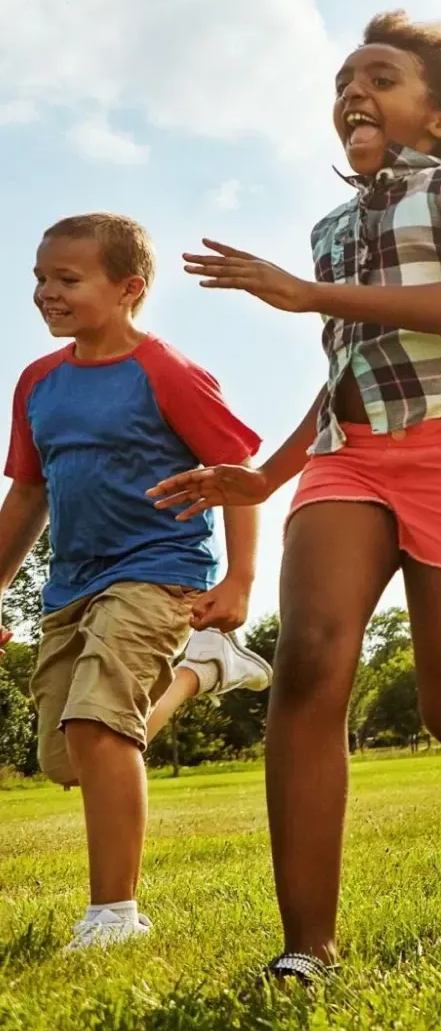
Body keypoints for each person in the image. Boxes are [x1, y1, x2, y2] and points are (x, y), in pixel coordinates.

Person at [147, 12, 441, 980]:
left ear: (440, 116)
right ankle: (306, 946)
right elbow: (349, 368)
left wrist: (311, 296)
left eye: (378, 75)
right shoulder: (331, 231)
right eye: (340, 82)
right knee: (313, 655)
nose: (351, 92)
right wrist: (268, 474)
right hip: (348, 457)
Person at [0, 213, 264, 950]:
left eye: (67, 279)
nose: (45, 293)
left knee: (96, 726)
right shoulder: (37, 384)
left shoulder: (166, 372)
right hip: (72, 585)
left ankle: (114, 916)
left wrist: (239, 579)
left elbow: (236, 480)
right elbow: (27, 495)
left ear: (129, 289)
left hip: (159, 571)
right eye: (39, 279)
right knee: (70, 758)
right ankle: (199, 675)